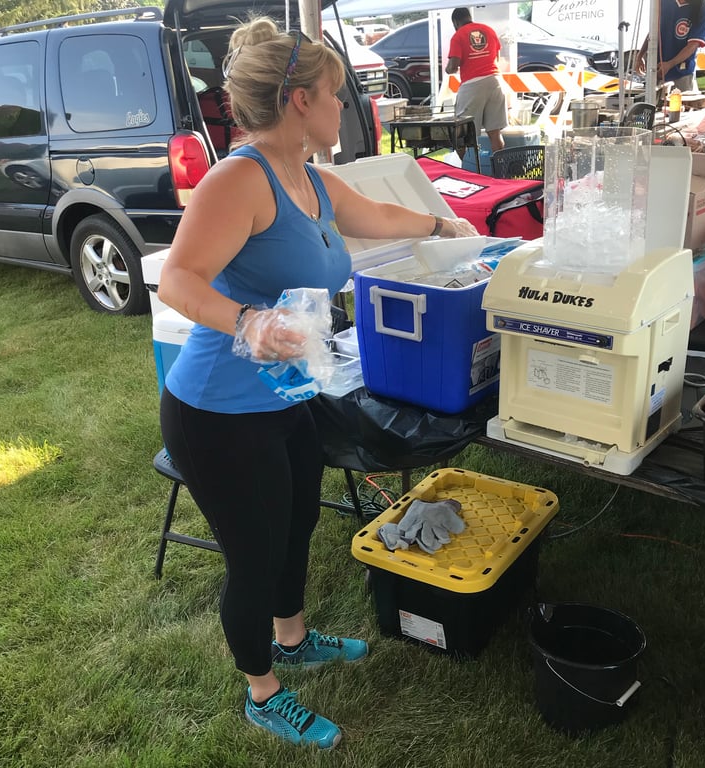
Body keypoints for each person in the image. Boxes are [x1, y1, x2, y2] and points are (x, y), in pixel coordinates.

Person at [157, 17, 478, 752]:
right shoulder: (239, 178)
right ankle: (262, 691)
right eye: (339, 92)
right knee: (254, 553)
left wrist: (443, 227)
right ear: (301, 99)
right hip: (218, 412)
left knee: (298, 523)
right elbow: (179, 276)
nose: (348, 105)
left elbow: (376, 216)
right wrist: (246, 322)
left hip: (289, 397)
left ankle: (292, 637)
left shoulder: (309, 179)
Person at [445, 7, 507, 155]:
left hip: (472, 85)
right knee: (495, 133)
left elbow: (453, 66)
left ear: (455, 22)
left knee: (462, 134)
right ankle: (499, 172)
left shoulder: (458, 36)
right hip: (495, 82)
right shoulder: (489, 30)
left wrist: (448, 69)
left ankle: (464, 172)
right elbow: (496, 57)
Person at [635, 0, 705, 92]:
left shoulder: (703, 8)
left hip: (682, 73)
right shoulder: (662, 2)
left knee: (682, 104)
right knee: (653, 104)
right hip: (657, 71)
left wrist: (670, 64)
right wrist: (640, 55)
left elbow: (693, 45)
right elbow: (653, 31)